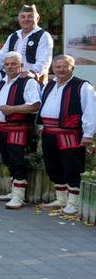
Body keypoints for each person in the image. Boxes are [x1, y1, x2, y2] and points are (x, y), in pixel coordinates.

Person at [37, 55, 95, 215]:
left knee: (71, 167)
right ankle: (61, 200)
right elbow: (43, 105)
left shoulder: (82, 86)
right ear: (53, 69)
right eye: (57, 67)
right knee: (53, 166)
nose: (61, 70)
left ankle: (73, 204)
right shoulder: (49, 85)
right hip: (49, 133)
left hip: (70, 134)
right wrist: (40, 126)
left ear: (72, 68)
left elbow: (90, 110)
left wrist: (88, 134)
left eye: (64, 66)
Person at [0, 52, 41, 210]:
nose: (9, 67)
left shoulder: (28, 82)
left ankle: (19, 197)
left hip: (18, 129)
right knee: (8, 159)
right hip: (1, 128)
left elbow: (35, 105)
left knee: (18, 161)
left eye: (13, 64)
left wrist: (12, 109)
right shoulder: (1, 82)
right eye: (7, 64)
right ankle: (14, 191)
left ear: (21, 65)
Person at [0, 4, 54, 81]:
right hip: (12, 80)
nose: (26, 19)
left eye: (30, 16)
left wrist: (32, 73)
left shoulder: (43, 36)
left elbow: (44, 60)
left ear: (37, 18)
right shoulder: (13, 36)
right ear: (19, 19)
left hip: (33, 80)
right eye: (23, 17)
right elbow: (1, 57)